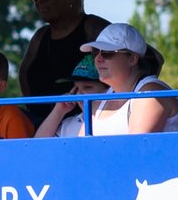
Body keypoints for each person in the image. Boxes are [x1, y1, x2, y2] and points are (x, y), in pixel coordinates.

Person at [16, 0, 108, 123]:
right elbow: (24, 77)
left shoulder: (93, 27)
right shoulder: (40, 37)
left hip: (85, 130)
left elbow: (148, 59)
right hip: (42, 130)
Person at [38, 23, 169, 136]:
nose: (98, 59)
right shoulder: (100, 102)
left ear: (132, 59)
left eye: (107, 52)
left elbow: (134, 150)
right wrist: (58, 111)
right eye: (95, 52)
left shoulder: (150, 93)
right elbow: (79, 148)